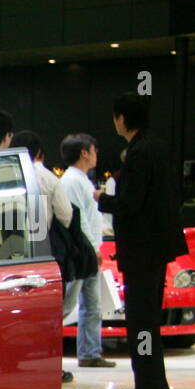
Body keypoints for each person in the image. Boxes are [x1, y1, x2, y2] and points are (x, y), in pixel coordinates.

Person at [96, 94, 185, 389]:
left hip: (143, 249)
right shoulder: (156, 146)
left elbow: (130, 203)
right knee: (146, 317)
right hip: (156, 247)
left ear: (122, 119)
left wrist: (101, 200)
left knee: (141, 319)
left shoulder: (138, 152)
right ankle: (152, 382)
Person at [11, 130, 76, 383]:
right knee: (48, 317)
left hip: (8, 254)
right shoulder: (47, 177)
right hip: (41, 254)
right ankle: (50, 368)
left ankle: (12, 362)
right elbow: (66, 215)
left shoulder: (2, 175)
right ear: (39, 152)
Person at [59, 133, 112, 368]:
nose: (97, 154)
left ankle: (90, 352)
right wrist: (92, 247)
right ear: (84, 152)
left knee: (92, 303)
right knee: (68, 304)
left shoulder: (80, 179)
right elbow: (77, 219)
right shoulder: (72, 181)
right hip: (82, 250)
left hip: (88, 248)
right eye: (95, 150)